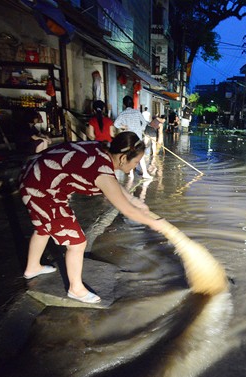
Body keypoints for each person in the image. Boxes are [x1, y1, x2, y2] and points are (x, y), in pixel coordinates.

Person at [19, 132, 171, 303]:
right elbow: (125, 209)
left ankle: (32, 268)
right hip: (42, 190)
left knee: (43, 227)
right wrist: (155, 223)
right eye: (135, 162)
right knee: (77, 242)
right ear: (122, 158)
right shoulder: (102, 171)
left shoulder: (103, 150)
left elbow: (114, 186)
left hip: (33, 176)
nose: (136, 166)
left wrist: (136, 201)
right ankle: (75, 289)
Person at [112, 95, 152, 179]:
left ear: (124, 104)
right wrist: (141, 129)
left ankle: (131, 173)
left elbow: (116, 124)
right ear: (132, 104)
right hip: (138, 137)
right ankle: (144, 173)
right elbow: (144, 123)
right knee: (139, 154)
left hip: (129, 138)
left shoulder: (123, 113)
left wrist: (124, 127)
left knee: (129, 154)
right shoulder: (137, 112)